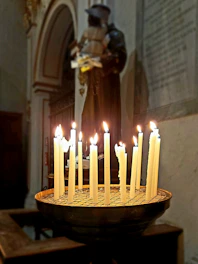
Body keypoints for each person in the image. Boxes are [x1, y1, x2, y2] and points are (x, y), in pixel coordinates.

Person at [77, 4, 127, 168]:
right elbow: (80, 62)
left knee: (106, 120)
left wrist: (98, 60)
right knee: (89, 119)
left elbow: (119, 58)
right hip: (93, 86)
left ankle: (107, 157)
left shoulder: (115, 35)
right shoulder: (90, 39)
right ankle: (91, 151)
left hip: (107, 86)